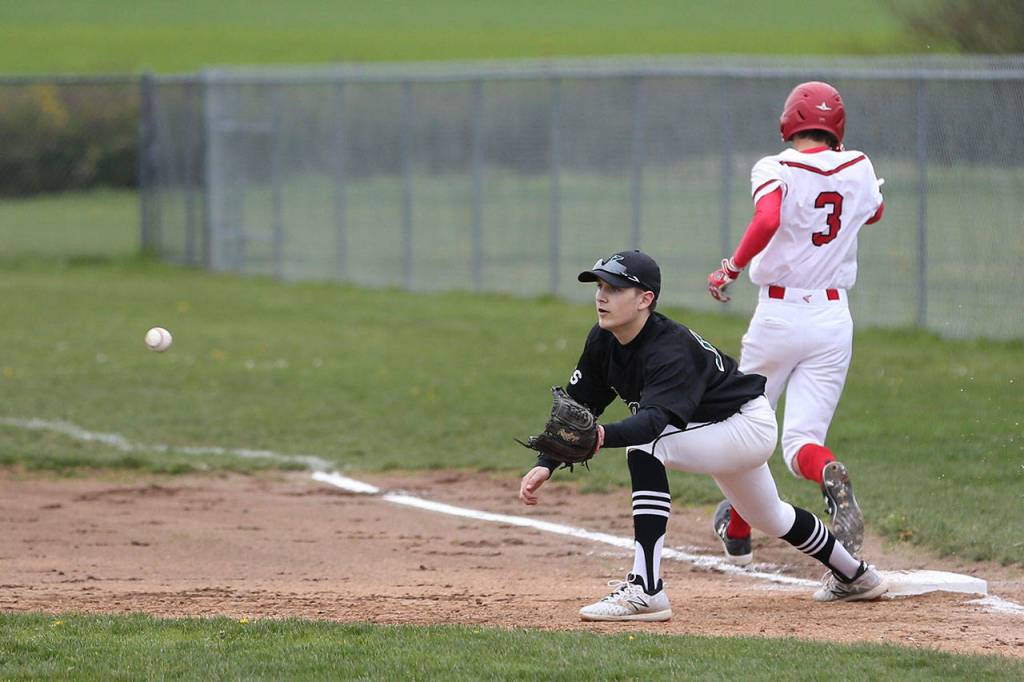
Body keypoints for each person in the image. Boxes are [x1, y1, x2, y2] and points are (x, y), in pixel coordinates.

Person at [519, 249, 888, 622]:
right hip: (715, 428)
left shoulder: (668, 349)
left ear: (645, 299)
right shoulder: (603, 341)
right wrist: (546, 463)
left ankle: (646, 588)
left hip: (746, 424)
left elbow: (652, 424)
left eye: (614, 288)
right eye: (600, 285)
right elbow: (580, 406)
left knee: (646, 447)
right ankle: (855, 575)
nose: (601, 296)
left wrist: (600, 437)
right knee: (770, 517)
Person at [706, 81, 885, 565]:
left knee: (743, 427)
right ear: (836, 127)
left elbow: (768, 219)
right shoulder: (860, 165)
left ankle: (738, 527)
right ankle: (820, 478)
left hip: (780, 315)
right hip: (832, 315)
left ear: (790, 122)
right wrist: (839, 172)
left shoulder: (775, 166)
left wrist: (731, 268)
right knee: (801, 441)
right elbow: (874, 213)